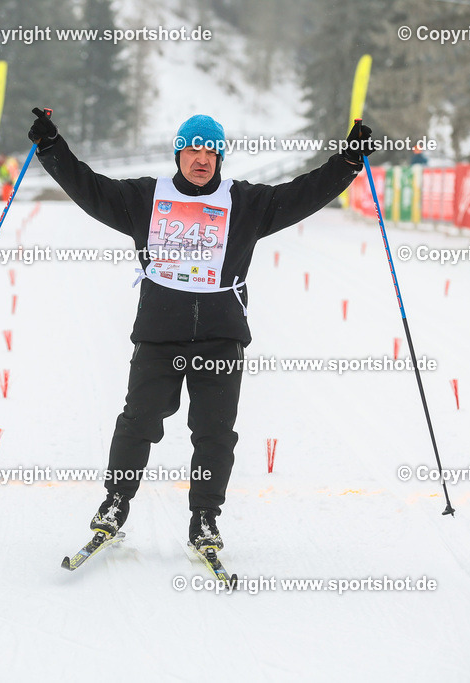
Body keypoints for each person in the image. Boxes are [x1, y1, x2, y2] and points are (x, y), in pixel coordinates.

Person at [28, 109, 373, 551]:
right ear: (178, 152)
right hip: (159, 334)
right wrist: (52, 148)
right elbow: (89, 188)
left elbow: (303, 194)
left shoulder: (244, 203)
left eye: (211, 151)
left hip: (220, 336)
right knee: (139, 422)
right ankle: (115, 503)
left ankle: (205, 519)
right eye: (193, 148)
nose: (202, 158)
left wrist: (346, 162)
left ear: (221, 158)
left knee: (214, 433)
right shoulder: (146, 198)